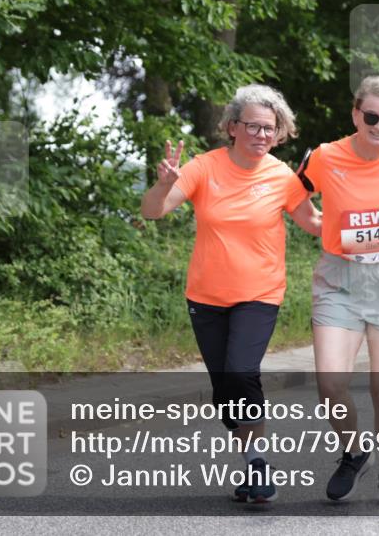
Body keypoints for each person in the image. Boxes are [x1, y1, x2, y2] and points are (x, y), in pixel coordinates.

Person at [140, 84, 321, 503]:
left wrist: (366, 230)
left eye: (270, 129)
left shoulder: (281, 176)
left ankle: (257, 465)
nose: (262, 136)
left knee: (242, 372)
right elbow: (153, 211)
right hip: (205, 297)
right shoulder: (204, 167)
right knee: (226, 395)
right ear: (233, 127)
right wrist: (162, 184)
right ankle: (249, 455)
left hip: (260, 293)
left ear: (279, 134)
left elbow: (312, 222)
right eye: (254, 127)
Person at [299, 75, 379, 507]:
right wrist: (316, 224)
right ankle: (354, 452)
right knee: (330, 383)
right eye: (371, 116)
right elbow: (292, 194)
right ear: (355, 114)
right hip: (340, 279)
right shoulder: (325, 156)